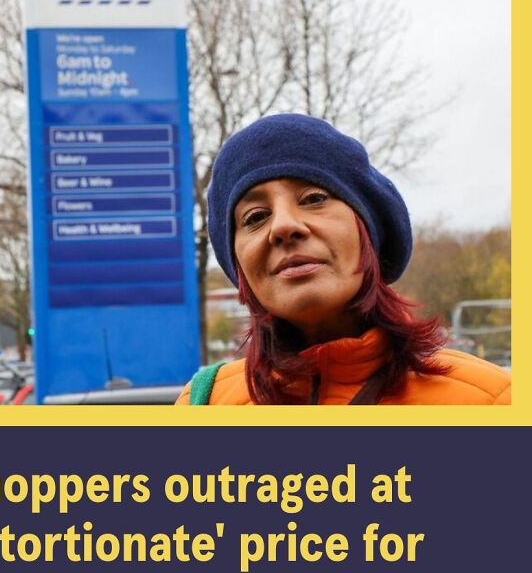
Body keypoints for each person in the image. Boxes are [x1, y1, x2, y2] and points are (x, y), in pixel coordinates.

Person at [177, 114, 510, 405]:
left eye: (313, 198)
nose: (283, 226)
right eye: (255, 217)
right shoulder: (203, 405)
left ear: (368, 229)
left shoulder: (491, 402)